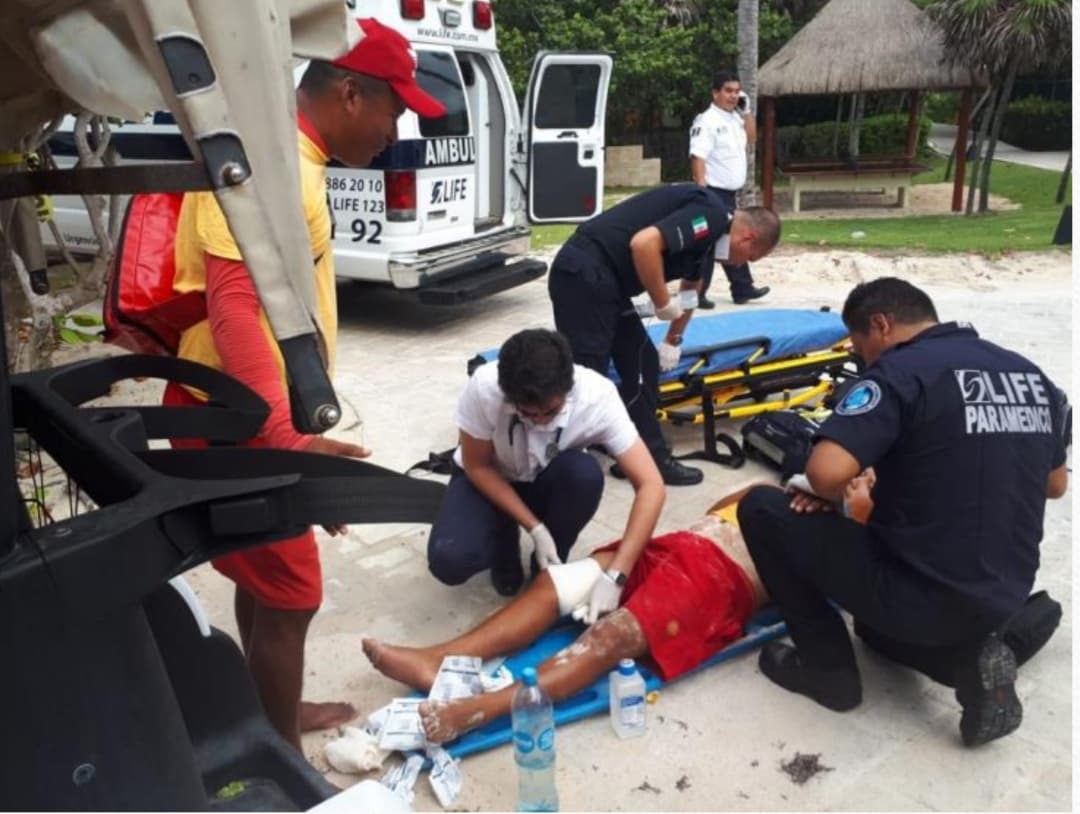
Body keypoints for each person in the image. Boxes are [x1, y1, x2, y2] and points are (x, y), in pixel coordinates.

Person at [162, 19, 446, 752]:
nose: (399, 129)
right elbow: (233, 304)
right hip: (236, 424)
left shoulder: (282, 159)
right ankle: (280, 756)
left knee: (267, 581)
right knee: (295, 593)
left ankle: (271, 714)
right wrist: (287, 442)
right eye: (397, 109)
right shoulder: (275, 167)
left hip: (227, 411)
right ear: (351, 94)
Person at [737, 277, 1070, 746]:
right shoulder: (1026, 373)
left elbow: (826, 472)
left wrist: (828, 490)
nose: (864, 360)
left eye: (861, 348)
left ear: (880, 324)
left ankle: (827, 672)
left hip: (919, 592)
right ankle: (970, 664)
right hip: (1002, 592)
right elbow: (1055, 484)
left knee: (763, 508)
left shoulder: (901, 372)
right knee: (874, 633)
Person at [367, 485, 773, 744]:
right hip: (677, 545)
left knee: (608, 638)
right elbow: (717, 508)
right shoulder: (769, 488)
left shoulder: (822, 527)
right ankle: (438, 660)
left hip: (723, 577)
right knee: (558, 583)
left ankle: (473, 712)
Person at [548, 183, 781, 486]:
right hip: (583, 273)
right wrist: (661, 301)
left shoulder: (711, 243)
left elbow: (690, 291)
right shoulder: (710, 215)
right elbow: (644, 244)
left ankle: (646, 456)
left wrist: (674, 339)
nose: (740, 265)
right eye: (750, 257)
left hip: (607, 283)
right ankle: (555, 456)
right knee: (587, 373)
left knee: (642, 360)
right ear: (748, 237)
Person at [427, 329, 665, 611]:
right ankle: (504, 539)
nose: (539, 421)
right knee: (449, 559)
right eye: (527, 413)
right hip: (490, 478)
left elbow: (652, 485)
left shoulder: (597, 397)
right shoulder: (484, 387)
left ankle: (553, 553)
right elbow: (477, 466)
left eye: (550, 412)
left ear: (568, 388)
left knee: (584, 475)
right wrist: (534, 528)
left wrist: (617, 575)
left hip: (543, 478)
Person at [689, 70, 769, 308]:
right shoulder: (707, 121)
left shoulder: (735, 118)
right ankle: (699, 292)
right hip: (713, 191)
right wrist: (701, 191)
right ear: (715, 93)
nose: (733, 96)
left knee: (728, 240)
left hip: (729, 193)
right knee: (708, 242)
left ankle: (741, 289)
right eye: (728, 91)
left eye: (736, 91)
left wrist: (746, 112)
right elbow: (698, 156)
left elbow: (752, 139)